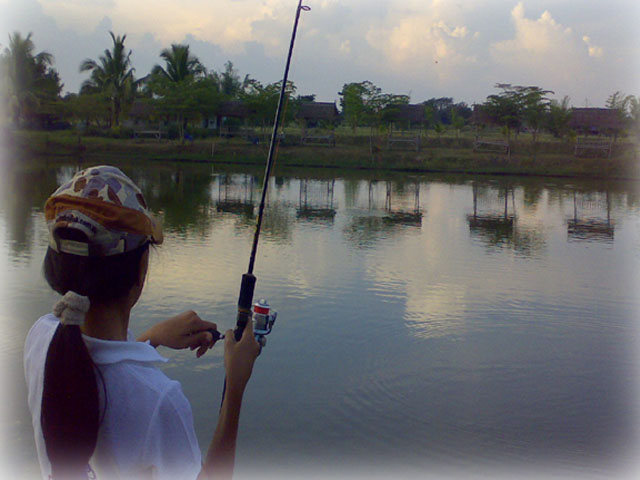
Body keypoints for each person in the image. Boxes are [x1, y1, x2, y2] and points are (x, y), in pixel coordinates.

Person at [24, 165, 260, 480]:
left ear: (56, 267)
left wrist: (151, 338)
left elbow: (96, 371)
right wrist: (235, 387)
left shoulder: (41, 339)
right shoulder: (158, 401)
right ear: (141, 270)